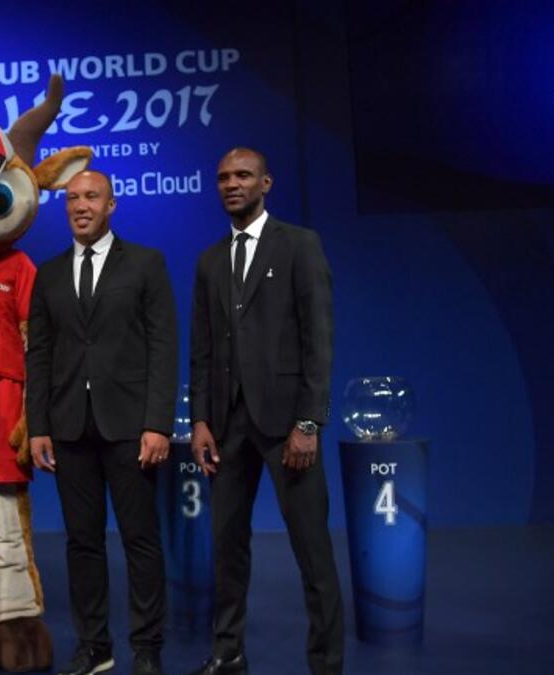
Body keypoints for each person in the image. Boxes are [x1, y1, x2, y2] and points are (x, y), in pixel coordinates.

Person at [187, 148, 343, 675]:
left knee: (313, 552)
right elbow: (202, 349)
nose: (232, 184)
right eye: (223, 177)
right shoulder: (210, 260)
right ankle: (228, 652)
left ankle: (326, 665)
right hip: (226, 428)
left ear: (266, 183)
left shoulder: (299, 245)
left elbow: (319, 340)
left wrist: (309, 423)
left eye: (243, 175)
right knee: (227, 550)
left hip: (286, 427)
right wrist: (201, 420)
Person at [27, 170, 178, 675]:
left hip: (131, 427)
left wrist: (157, 424)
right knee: (82, 542)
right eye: (72, 198)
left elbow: (163, 347)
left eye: (91, 197)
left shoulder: (146, 264)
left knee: (140, 539)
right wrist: (38, 426)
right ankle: (94, 646)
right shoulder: (48, 274)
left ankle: (147, 646)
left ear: (111, 205)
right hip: (69, 427)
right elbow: (39, 355)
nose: (80, 206)